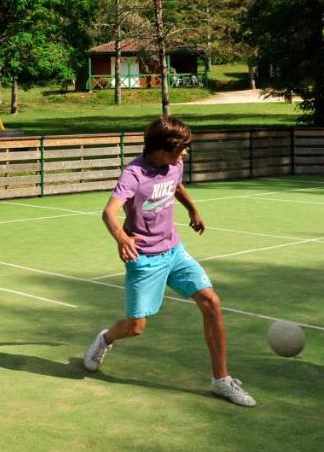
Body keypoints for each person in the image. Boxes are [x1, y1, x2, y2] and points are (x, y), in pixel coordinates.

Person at [83, 116, 256, 408]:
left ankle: (221, 380)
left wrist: (192, 209)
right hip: (144, 258)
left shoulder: (175, 164)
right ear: (165, 148)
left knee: (211, 302)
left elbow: (176, 186)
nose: (186, 153)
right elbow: (109, 213)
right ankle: (106, 338)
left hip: (174, 249)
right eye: (182, 148)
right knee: (136, 327)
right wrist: (122, 239)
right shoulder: (133, 175)